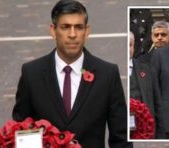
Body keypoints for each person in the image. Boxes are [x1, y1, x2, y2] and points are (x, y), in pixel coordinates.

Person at [12, 1, 133, 148]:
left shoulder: (107, 74)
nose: (72, 34)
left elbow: (121, 138)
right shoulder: (31, 74)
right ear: (53, 30)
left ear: (86, 31)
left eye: (79, 27)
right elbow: (21, 132)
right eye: (65, 27)